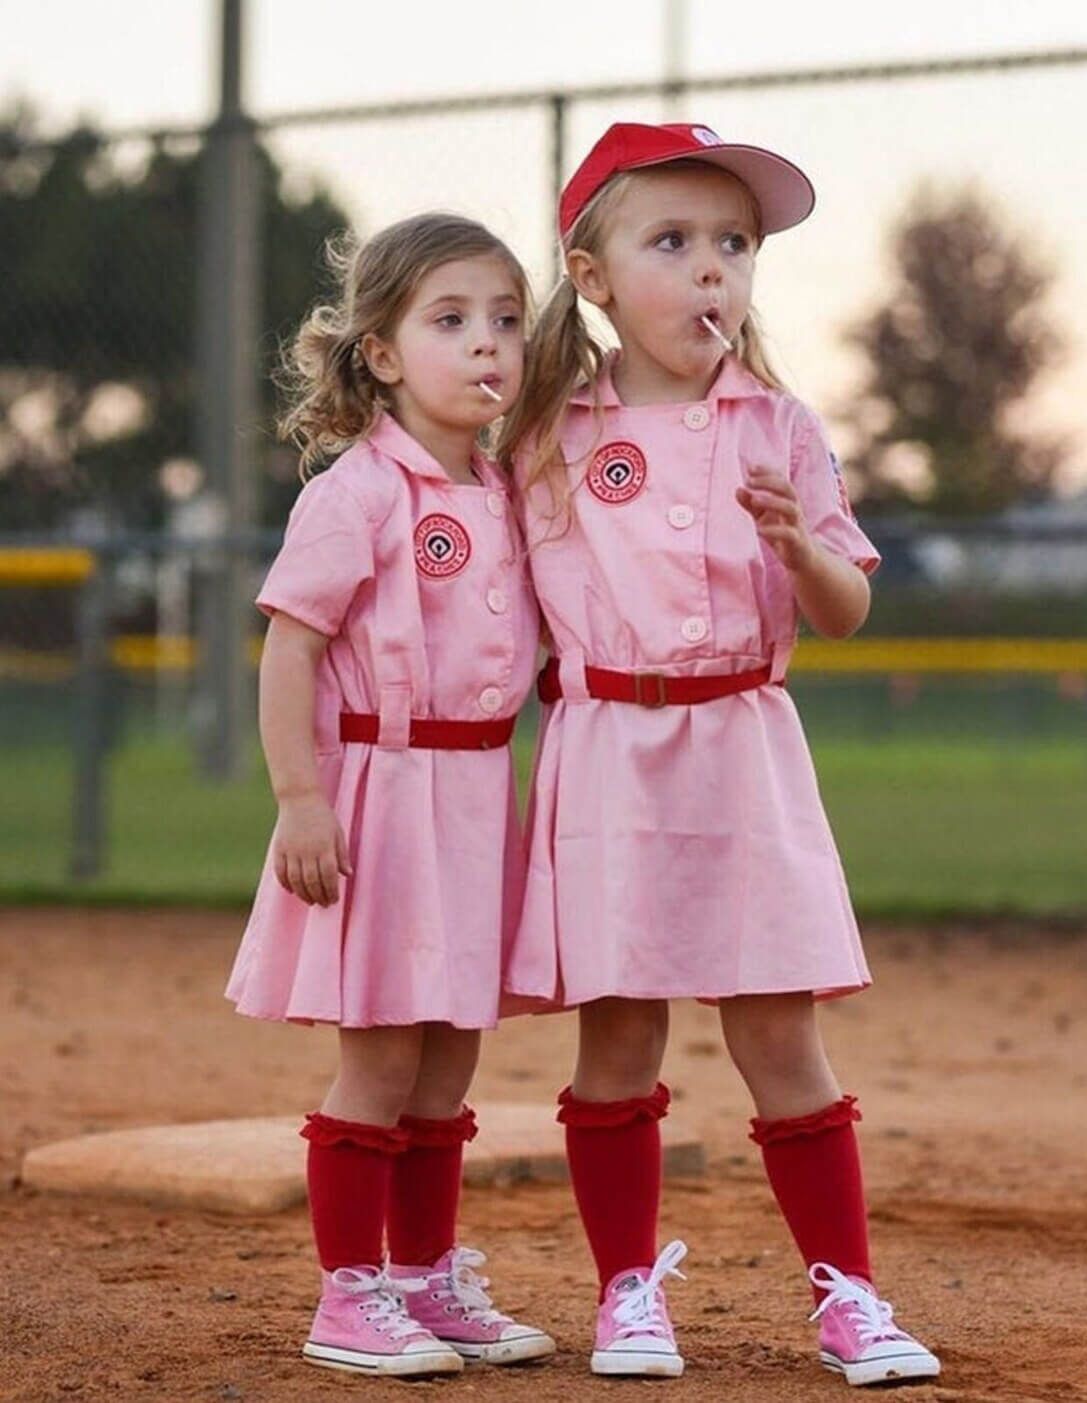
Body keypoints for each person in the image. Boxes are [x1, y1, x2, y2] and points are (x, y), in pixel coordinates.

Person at [498, 123, 940, 1387]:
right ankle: (628, 1293)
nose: (713, 271)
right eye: (674, 241)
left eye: (734, 245)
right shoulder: (547, 432)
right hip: (606, 755)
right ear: (590, 278)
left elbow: (847, 607)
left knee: (780, 1037)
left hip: (744, 749)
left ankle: (848, 1293)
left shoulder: (782, 424)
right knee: (620, 1040)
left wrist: (804, 547)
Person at [226, 213, 554, 1377]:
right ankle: (348, 1294)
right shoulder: (356, 493)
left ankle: (423, 1276)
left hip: (478, 793)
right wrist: (298, 797)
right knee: (381, 1058)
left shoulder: (514, 486)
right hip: (379, 794)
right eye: (451, 319)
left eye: (508, 321)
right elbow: (290, 649)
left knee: (454, 1051)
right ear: (378, 351)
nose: (488, 346)